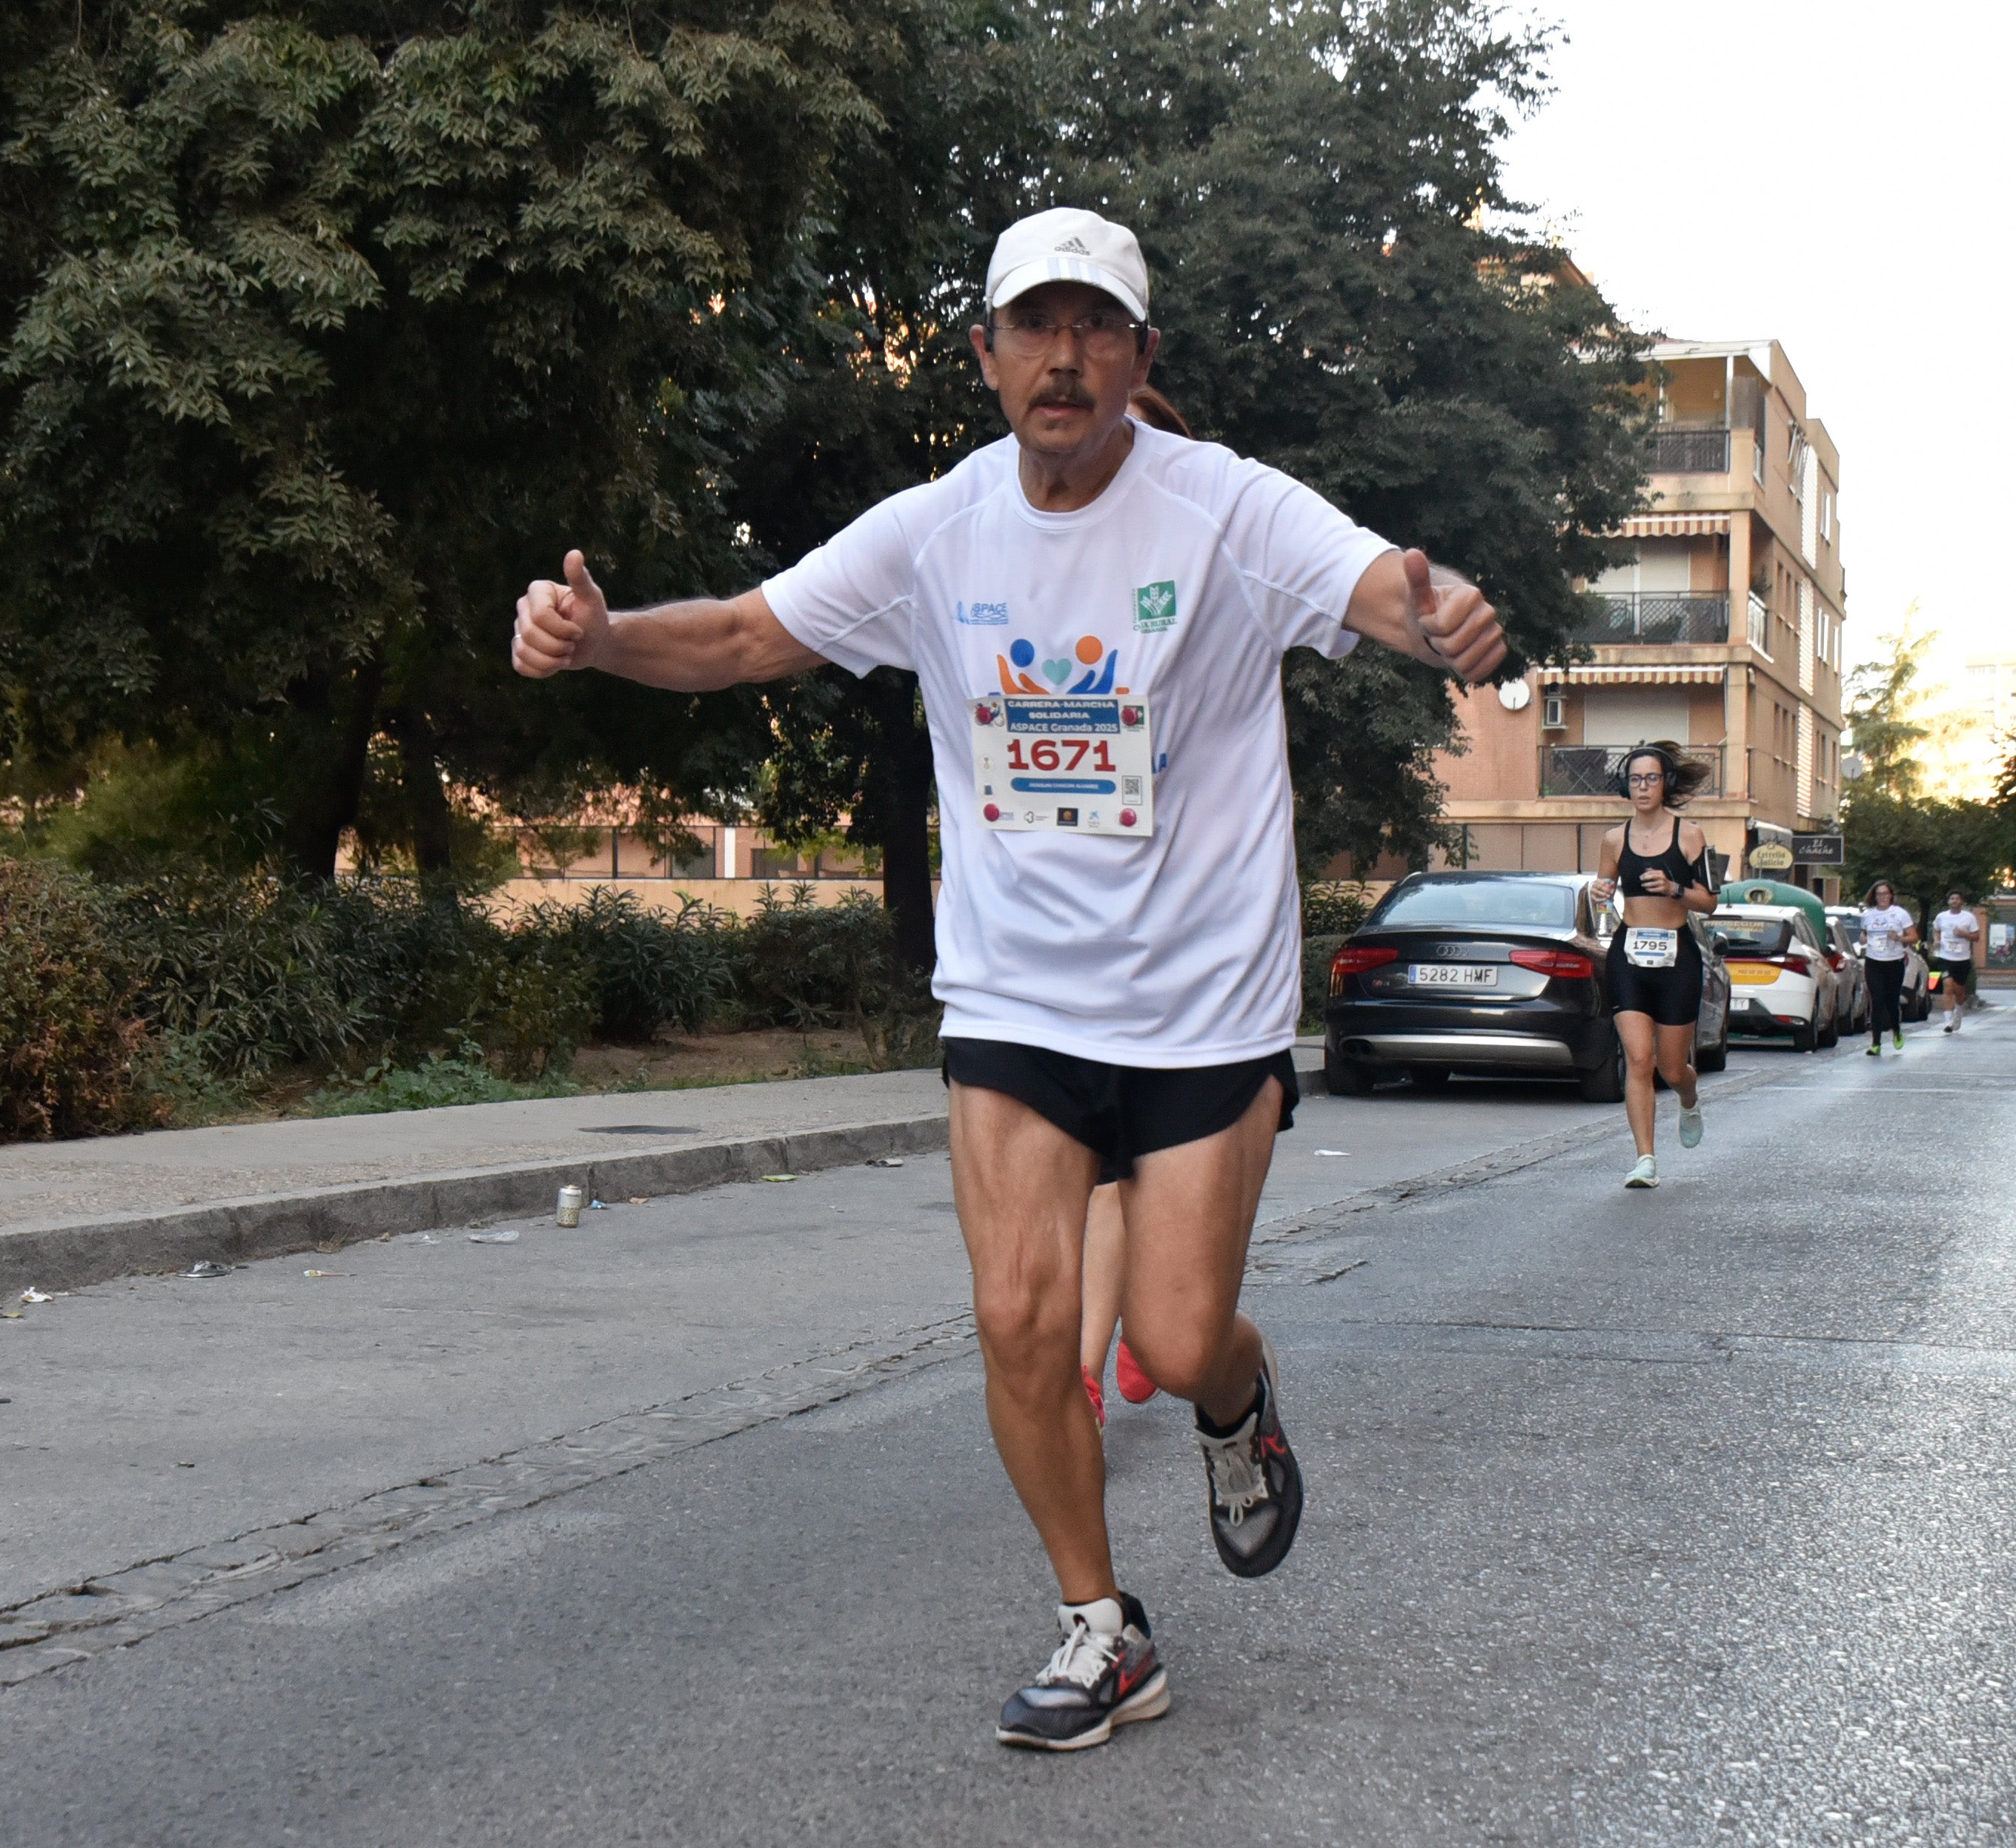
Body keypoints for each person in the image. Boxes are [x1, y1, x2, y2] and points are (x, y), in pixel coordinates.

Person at [509, 207, 1509, 1752]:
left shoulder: (1223, 512)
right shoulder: (938, 531)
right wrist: (597, 641)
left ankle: (1238, 1406)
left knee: (1173, 1341)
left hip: (1200, 1008)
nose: (1064, 356)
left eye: (1095, 326)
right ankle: (1100, 1625)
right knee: (1019, 1317)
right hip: (1013, 1003)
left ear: (1138, 356)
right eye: (1033, 326)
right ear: (983, 355)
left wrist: (1436, 621)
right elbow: (738, 636)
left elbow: (1377, 583)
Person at [1077, 385, 1199, 1425]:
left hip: (1180, 967)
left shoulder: (1205, 582)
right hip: (1062, 959)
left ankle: (1131, 1336)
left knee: (1124, 1188)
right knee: (1095, 1185)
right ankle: (1086, 1353)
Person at [1588, 744, 1717, 1189]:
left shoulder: (1690, 835)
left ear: (1666, 784)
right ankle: (1645, 1159)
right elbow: (1603, 897)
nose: (1643, 787)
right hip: (1628, 955)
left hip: (1677, 957)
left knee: (1671, 1067)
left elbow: (1711, 903)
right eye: (1636, 779)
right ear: (1628, 785)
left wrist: (1673, 887)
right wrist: (1600, 895)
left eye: (1652, 778)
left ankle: (1689, 1096)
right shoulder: (1612, 839)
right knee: (1639, 1060)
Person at [1858, 879, 1917, 1053]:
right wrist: (1863, 938)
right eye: (1879, 894)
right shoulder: (1868, 915)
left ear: (1891, 895)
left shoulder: (1900, 914)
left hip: (1894, 962)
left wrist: (1898, 938)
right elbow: (1864, 933)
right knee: (1876, 1000)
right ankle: (1876, 1044)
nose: (1882, 897)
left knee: (1891, 1001)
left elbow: (1914, 937)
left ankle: (1897, 1031)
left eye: (1885, 894)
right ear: (1874, 897)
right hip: (1874, 962)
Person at [1929, 892, 1979, 1035]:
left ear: (1961, 901)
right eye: (1952, 898)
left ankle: (1959, 1009)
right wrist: (1937, 940)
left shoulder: (1969, 918)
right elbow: (1936, 930)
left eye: (1957, 898)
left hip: (1962, 959)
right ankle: (1948, 1020)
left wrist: (1964, 934)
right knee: (1947, 985)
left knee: (1960, 991)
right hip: (1945, 957)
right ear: (1948, 901)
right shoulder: (1941, 917)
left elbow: (1976, 937)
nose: (1955, 901)